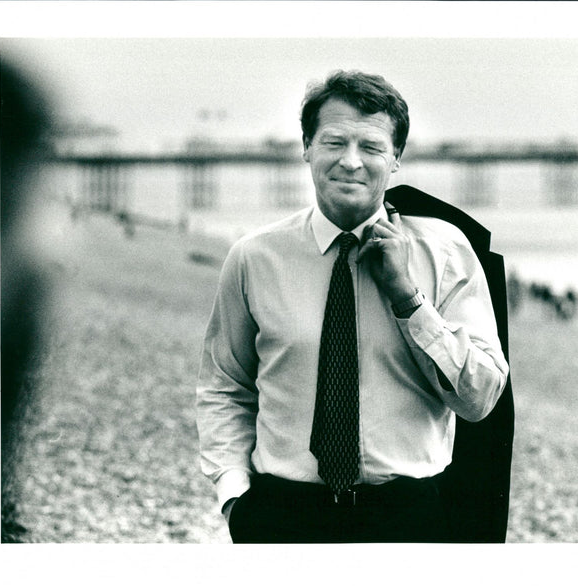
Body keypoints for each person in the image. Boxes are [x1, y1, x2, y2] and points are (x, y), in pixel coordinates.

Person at [195, 70, 509, 543]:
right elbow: (224, 383)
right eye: (334, 142)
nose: (351, 162)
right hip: (281, 516)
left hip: (408, 518)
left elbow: (480, 399)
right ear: (306, 146)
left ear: (396, 159)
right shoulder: (254, 257)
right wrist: (235, 494)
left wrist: (407, 296)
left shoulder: (445, 252)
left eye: (372, 147)